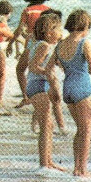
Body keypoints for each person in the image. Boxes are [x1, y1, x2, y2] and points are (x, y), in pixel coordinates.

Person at [46, 9, 91, 177]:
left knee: (79, 129)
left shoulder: (60, 45)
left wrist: (53, 86)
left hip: (67, 89)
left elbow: (48, 69)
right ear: (84, 26)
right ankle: (83, 169)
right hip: (82, 86)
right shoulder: (84, 43)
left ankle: (76, 168)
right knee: (86, 130)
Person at [26, 13, 65, 171]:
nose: (61, 32)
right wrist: (48, 73)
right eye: (58, 29)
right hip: (38, 85)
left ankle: (48, 161)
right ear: (49, 32)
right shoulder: (44, 45)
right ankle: (44, 163)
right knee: (46, 125)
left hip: (41, 85)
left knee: (48, 125)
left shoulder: (44, 45)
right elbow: (33, 66)